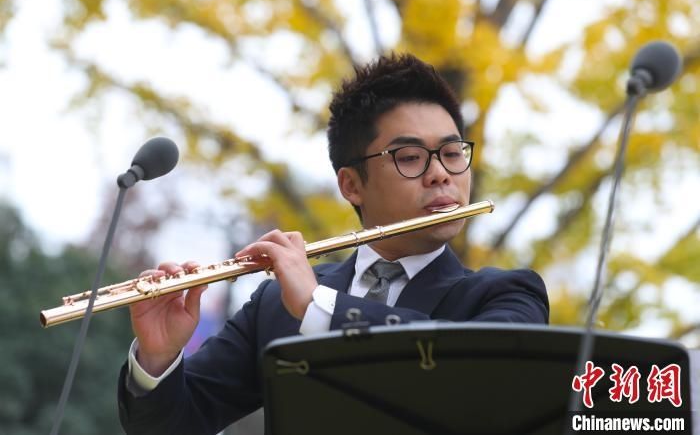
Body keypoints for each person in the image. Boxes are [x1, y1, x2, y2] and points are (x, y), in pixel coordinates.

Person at [117, 53, 549, 434]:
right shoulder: (273, 304)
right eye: (411, 157)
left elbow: (477, 373)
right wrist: (159, 358)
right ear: (351, 184)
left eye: (452, 153)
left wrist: (318, 309)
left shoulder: (507, 297)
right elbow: (175, 425)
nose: (441, 174)